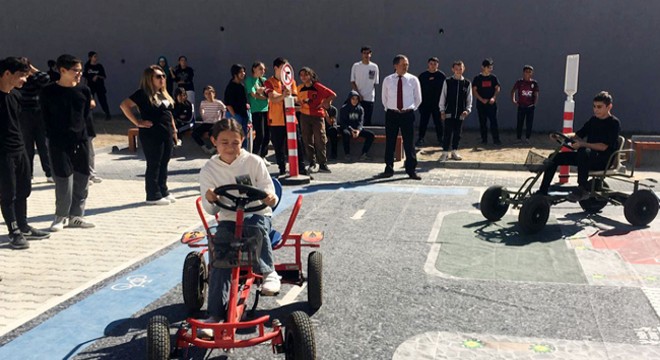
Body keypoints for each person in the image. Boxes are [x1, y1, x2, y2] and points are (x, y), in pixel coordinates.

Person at [199, 118, 280, 333]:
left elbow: (268, 190)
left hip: (256, 213)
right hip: (228, 216)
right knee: (220, 255)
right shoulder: (209, 169)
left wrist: (270, 198)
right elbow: (211, 210)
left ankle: (268, 272)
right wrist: (211, 199)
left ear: (243, 140)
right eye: (224, 142)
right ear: (214, 141)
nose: (230, 147)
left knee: (254, 229)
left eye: (235, 142)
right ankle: (215, 315)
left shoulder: (254, 162)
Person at [40, 54, 96, 230]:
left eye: (80, 70)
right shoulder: (48, 91)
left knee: (82, 177)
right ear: (62, 70)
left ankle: (76, 216)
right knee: (63, 178)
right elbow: (44, 116)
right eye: (75, 70)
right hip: (58, 141)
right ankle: (61, 216)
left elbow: (85, 114)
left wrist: (87, 136)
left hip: (81, 140)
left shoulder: (84, 90)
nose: (79, 74)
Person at [0, 57, 50, 249]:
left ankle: (23, 226)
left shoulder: (16, 96)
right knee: (8, 193)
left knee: (23, 190)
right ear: (7, 74)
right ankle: (14, 232)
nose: (25, 80)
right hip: (3, 154)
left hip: (20, 150)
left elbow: (44, 82)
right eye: (21, 76)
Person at [537, 91, 621, 202]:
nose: (596, 109)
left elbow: (604, 147)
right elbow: (578, 135)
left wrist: (583, 144)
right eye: (594, 106)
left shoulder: (614, 123)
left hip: (603, 160)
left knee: (583, 150)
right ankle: (542, 191)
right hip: (587, 157)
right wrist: (562, 136)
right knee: (554, 156)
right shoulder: (593, 120)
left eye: (599, 107)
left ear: (609, 107)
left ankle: (582, 188)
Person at [119, 65, 178, 206]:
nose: (162, 79)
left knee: (164, 162)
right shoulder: (142, 94)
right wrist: (137, 122)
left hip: (166, 132)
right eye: (158, 76)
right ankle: (153, 195)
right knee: (154, 163)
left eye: (163, 76)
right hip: (151, 134)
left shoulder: (164, 94)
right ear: (149, 78)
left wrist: (174, 130)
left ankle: (163, 191)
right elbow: (124, 105)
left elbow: (169, 114)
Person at [379, 54, 422, 180]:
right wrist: (390, 109)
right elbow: (384, 98)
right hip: (392, 114)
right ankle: (388, 168)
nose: (405, 66)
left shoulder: (413, 80)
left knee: (409, 143)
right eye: (403, 64)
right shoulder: (388, 80)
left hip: (407, 114)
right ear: (395, 65)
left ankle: (411, 169)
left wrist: (410, 108)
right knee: (390, 142)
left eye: (407, 64)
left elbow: (418, 98)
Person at [263, 57, 307, 176]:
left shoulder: (291, 82)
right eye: (282, 68)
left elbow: (295, 97)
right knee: (279, 146)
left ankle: (302, 168)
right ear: (276, 68)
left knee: (297, 143)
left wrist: (294, 98)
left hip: (292, 119)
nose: (285, 72)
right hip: (276, 120)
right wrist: (283, 95)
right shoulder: (269, 82)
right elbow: (272, 97)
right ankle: (282, 169)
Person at [17, 59, 52, 182]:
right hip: (24, 114)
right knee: (27, 146)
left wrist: (32, 69)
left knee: (43, 145)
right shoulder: (18, 81)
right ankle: (28, 174)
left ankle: (49, 173)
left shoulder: (36, 78)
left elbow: (46, 78)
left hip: (38, 113)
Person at [297, 67, 336, 173]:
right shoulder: (299, 88)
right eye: (301, 75)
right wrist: (299, 103)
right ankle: (312, 163)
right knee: (307, 139)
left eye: (306, 74)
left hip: (317, 116)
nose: (303, 77)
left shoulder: (318, 86)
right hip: (304, 116)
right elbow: (296, 99)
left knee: (320, 139)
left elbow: (332, 94)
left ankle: (323, 164)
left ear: (311, 75)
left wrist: (324, 103)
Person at [439, 60, 473, 162]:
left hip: (461, 113)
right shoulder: (448, 81)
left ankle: (454, 151)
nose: (458, 71)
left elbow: (469, 98)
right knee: (447, 132)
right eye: (456, 69)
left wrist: (468, 109)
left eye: (460, 69)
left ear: (464, 69)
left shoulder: (467, 83)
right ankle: (445, 152)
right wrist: (442, 110)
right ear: (453, 69)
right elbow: (443, 96)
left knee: (458, 133)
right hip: (449, 111)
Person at [416, 57, 446, 147]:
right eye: (431, 64)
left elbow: (445, 91)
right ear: (428, 64)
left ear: (438, 65)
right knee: (423, 122)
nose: (433, 66)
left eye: (435, 64)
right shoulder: (423, 76)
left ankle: (441, 139)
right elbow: (418, 90)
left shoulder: (441, 76)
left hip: (437, 104)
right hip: (425, 104)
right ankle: (421, 138)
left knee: (438, 122)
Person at [472, 58, 501, 145]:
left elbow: (497, 88)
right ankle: (484, 140)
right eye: (488, 67)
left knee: (494, 122)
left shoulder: (493, 78)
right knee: (482, 122)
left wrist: (494, 97)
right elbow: (474, 90)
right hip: (481, 104)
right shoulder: (477, 78)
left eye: (491, 67)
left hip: (491, 104)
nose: (490, 69)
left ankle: (496, 140)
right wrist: (481, 99)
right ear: (483, 67)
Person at [245, 61, 270, 163]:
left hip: (267, 109)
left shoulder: (264, 80)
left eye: (264, 69)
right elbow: (254, 94)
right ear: (254, 69)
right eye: (260, 69)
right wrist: (264, 96)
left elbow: (269, 93)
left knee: (268, 135)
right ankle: (255, 156)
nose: (263, 71)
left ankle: (263, 156)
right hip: (256, 110)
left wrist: (264, 94)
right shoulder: (249, 80)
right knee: (260, 134)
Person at [340, 91, 374, 162]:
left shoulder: (360, 109)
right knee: (346, 134)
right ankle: (347, 154)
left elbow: (361, 122)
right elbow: (343, 122)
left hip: (357, 129)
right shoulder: (344, 108)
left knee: (371, 135)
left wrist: (358, 130)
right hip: (347, 128)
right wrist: (351, 130)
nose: (355, 101)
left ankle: (364, 154)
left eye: (356, 99)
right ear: (349, 99)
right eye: (353, 99)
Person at [350, 46, 379, 126]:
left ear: (371, 54)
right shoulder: (356, 66)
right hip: (357, 98)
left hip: (369, 98)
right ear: (361, 54)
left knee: (367, 119)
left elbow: (374, 82)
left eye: (368, 53)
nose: (366, 55)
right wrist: (358, 94)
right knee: (356, 119)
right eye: (364, 53)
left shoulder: (374, 67)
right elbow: (352, 81)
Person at [224, 64, 251, 149]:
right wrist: (234, 116)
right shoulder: (230, 87)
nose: (243, 73)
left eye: (244, 71)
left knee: (244, 137)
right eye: (240, 72)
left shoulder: (242, 86)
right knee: (235, 136)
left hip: (243, 114)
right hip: (235, 115)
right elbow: (228, 103)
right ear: (235, 74)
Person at [511, 65, 540, 144]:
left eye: (530, 72)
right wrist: (514, 100)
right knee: (520, 122)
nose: (528, 73)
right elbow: (513, 90)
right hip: (521, 106)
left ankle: (528, 138)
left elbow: (536, 94)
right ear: (523, 73)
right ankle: (518, 138)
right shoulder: (519, 82)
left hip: (530, 106)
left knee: (529, 123)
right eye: (526, 72)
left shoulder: (534, 83)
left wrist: (535, 104)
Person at [194, 85, 226, 154]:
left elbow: (225, 109)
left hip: (215, 123)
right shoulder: (203, 103)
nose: (208, 95)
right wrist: (202, 114)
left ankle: (214, 148)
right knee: (194, 133)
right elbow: (201, 110)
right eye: (206, 93)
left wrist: (222, 119)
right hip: (206, 123)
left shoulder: (218, 102)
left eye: (210, 93)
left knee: (213, 134)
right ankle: (204, 147)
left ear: (214, 93)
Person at [83, 51, 111, 120]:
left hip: (99, 87)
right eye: (94, 56)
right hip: (90, 86)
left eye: (96, 56)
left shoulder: (99, 66)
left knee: (102, 100)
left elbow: (104, 76)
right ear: (90, 58)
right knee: (89, 101)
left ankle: (107, 114)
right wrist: (84, 86)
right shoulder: (87, 67)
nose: (96, 58)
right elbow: (85, 77)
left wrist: (97, 76)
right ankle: (88, 115)